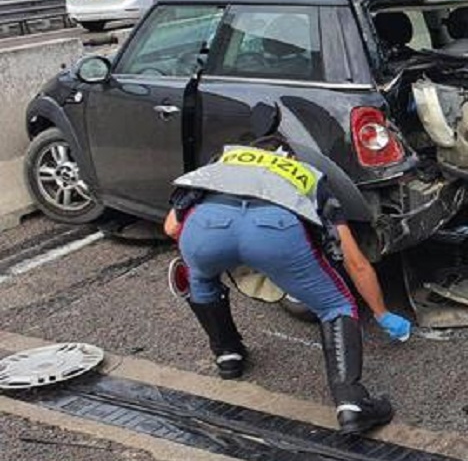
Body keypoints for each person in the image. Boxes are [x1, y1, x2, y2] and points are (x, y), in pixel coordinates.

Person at [162, 103, 411, 435]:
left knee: (200, 278)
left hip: (207, 227)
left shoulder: (222, 160)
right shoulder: (307, 174)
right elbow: (354, 261)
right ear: (287, 157)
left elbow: (171, 229)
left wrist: (220, 249)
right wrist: (381, 313)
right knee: (335, 304)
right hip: (274, 231)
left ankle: (228, 356)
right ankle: (352, 403)